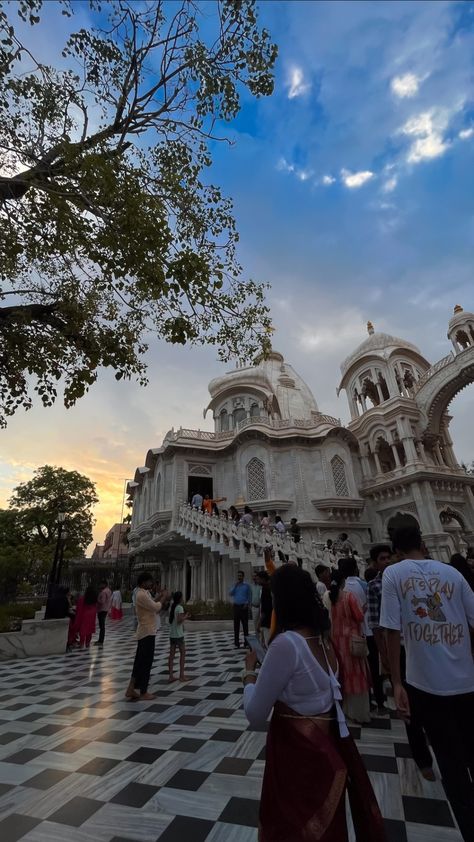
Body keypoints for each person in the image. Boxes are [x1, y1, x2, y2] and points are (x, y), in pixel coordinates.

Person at [242, 565, 385, 842]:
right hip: (326, 750)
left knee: (293, 825)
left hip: (296, 758)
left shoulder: (286, 644)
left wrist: (249, 675)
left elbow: (256, 714)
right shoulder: (324, 640)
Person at [381, 526, 474, 842]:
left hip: (425, 685)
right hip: (466, 682)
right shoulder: (452, 574)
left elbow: (392, 631)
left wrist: (396, 682)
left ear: (394, 549)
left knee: (451, 765)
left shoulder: (394, 574)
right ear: (422, 542)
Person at [329, 569, 371, 724]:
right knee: (356, 674)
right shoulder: (348, 597)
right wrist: (364, 608)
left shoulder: (330, 597)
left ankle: (345, 708)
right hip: (351, 640)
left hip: (337, 640)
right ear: (343, 581)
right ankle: (359, 712)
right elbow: (359, 617)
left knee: (343, 673)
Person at [126, 571, 166, 701]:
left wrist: (159, 596)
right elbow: (155, 607)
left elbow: (152, 603)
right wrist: (164, 598)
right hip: (146, 631)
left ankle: (131, 688)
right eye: (149, 581)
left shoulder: (144, 593)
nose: (151, 583)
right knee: (146, 662)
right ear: (143, 582)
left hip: (147, 631)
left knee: (139, 662)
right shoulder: (141, 595)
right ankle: (143, 691)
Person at [168, 591, 190, 682]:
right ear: (180, 598)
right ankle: (181, 675)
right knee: (183, 654)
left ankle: (170, 676)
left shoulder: (172, 607)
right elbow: (179, 621)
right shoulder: (180, 607)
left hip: (172, 634)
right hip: (179, 634)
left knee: (171, 655)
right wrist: (186, 616)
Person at [229, 570, 251, 648]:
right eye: (238, 576)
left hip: (244, 607)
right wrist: (235, 586)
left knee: (245, 626)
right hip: (236, 607)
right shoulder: (235, 585)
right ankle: (236, 642)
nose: (239, 577)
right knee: (236, 625)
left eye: (240, 576)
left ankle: (246, 642)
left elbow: (249, 596)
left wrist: (247, 603)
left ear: (243, 576)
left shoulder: (247, 586)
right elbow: (230, 593)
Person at [74, 585, 98, 649]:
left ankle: (82, 643)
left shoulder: (83, 598)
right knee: (89, 630)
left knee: (83, 630)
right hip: (92, 615)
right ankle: (87, 643)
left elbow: (79, 608)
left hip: (85, 615)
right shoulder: (94, 599)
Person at [257, 571, 272, 646]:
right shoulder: (264, 588)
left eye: (258, 579)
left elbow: (266, 609)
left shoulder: (267, 589)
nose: (257, 580)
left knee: (268, 643)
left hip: (268, 621)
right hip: (267, 620)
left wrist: (259, 622)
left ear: (263, 579)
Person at [95, 580, 112, 647]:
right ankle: (100, 640)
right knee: (102, 626)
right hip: (106, 609)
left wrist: (97, 599)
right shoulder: (109, 590)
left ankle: (100, 641)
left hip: (101, 610)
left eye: (100, 584)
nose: (99, 586)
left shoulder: (103, 592)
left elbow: (102, 601)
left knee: (102, 626)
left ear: (104, 584)